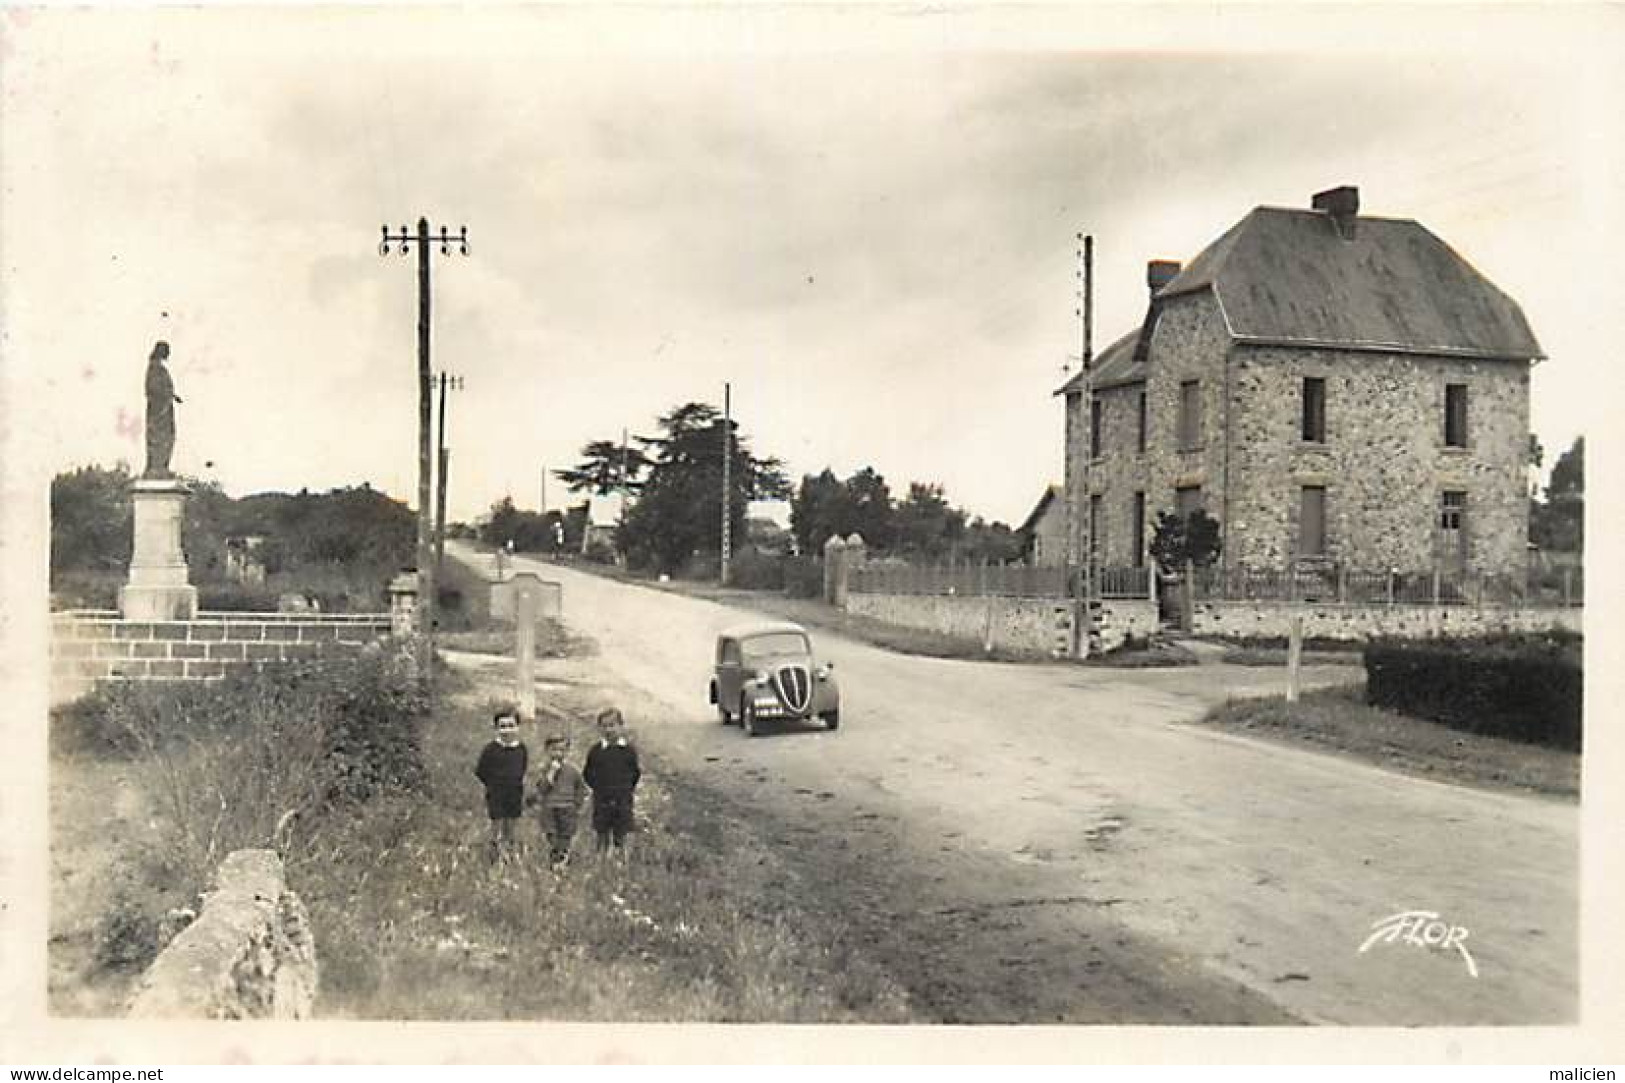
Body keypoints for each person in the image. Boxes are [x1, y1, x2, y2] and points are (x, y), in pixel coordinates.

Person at [582, 707, 641, 852]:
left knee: (621, 833)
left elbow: (635, 773)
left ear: (621, 726)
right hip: (602, 799)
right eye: (605, 726)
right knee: (602, 833)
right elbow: (588, 773)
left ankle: (620, 863)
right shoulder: (596, 751)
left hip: (622, 799)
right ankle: (601, 861)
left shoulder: (628, 751)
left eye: (612, 725)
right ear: (599, 728)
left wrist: (625, 788)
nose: (609, 730)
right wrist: (599, 788)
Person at [474, 709, 528, 862]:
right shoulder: (491, 749)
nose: (507, 730)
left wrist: (515, 781)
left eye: (511, 726)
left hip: (515, 792)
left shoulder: (521, 749)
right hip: (496, 792)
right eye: (502, 726)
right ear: (496, 729)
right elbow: (481, 771)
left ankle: (509, 853)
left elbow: (522, 768)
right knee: (496, 822)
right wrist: (493, 784)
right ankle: (494, 855)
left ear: (517, 727)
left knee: (511, 824)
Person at [528, 732, 587, 868]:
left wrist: (577, 805)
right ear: (547, 751)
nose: (558, 754)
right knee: (552, 836)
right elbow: (541, 789)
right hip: (549, 808)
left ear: (567, 752)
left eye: (562, 750)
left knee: (566, 836)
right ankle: (555, 860)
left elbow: (581, 789)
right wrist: (551, 773)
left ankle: (564, 860)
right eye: (554, 750)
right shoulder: (543, 770)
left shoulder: (573, 771)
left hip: (567, 808)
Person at [143, 340, 182, 478]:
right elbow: (152, 389)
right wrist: (167, 396)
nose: (169, 354)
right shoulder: (155, 368)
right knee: (160, 437)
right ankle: (156, 467)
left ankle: (161, 466)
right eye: (167, 351)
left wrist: (172, 396)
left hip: (164, 408)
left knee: (167, 437)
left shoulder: (158, 368)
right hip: (159, 411)